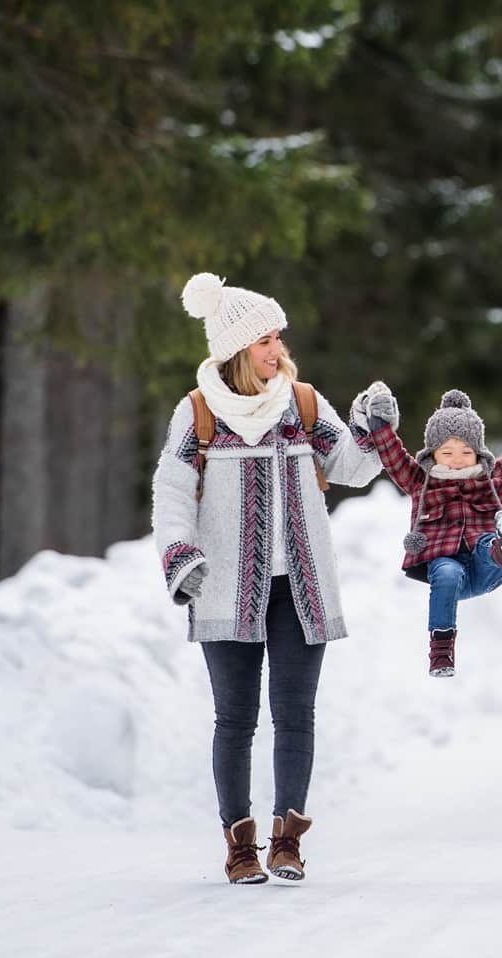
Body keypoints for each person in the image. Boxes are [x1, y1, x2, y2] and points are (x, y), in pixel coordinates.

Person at [150, 272, 383, 885]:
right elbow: (172, 492)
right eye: (265, 341)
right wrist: (180, 556)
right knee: (235, 719)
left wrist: (375, 425)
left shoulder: (301, 405)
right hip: (225, 587)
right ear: (235, 349)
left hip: (299, 589)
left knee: (296, 716)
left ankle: (287, 842)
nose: (276, 350)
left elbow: (353, 467)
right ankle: (239, 846)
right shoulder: (197, 413)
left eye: (278, 338)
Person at [352, 385, 502, 677]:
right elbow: (393, 456)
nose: (457, 459)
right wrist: (379, 424)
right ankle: (441, 652)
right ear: (433, 453)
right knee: (447, 571)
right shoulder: (420, 482)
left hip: (487, 569)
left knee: (486, 543)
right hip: (446, 571)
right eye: (447, 452)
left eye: (466, 452)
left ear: (478, 452)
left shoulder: (491, 479)